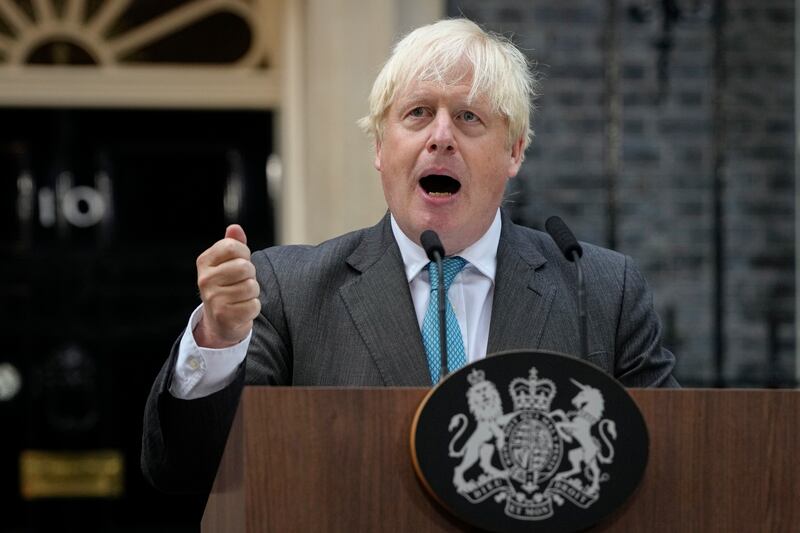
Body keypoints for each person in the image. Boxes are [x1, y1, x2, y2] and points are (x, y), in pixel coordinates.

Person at [142, 18, 678, 495]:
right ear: (380, 147)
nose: (440, 137)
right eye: (418, 113)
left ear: (514, 151)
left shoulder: (600, 291)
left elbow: (672, 469)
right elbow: (190, 471)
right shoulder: (287, 290)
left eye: (469, 117)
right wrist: (218, 340)